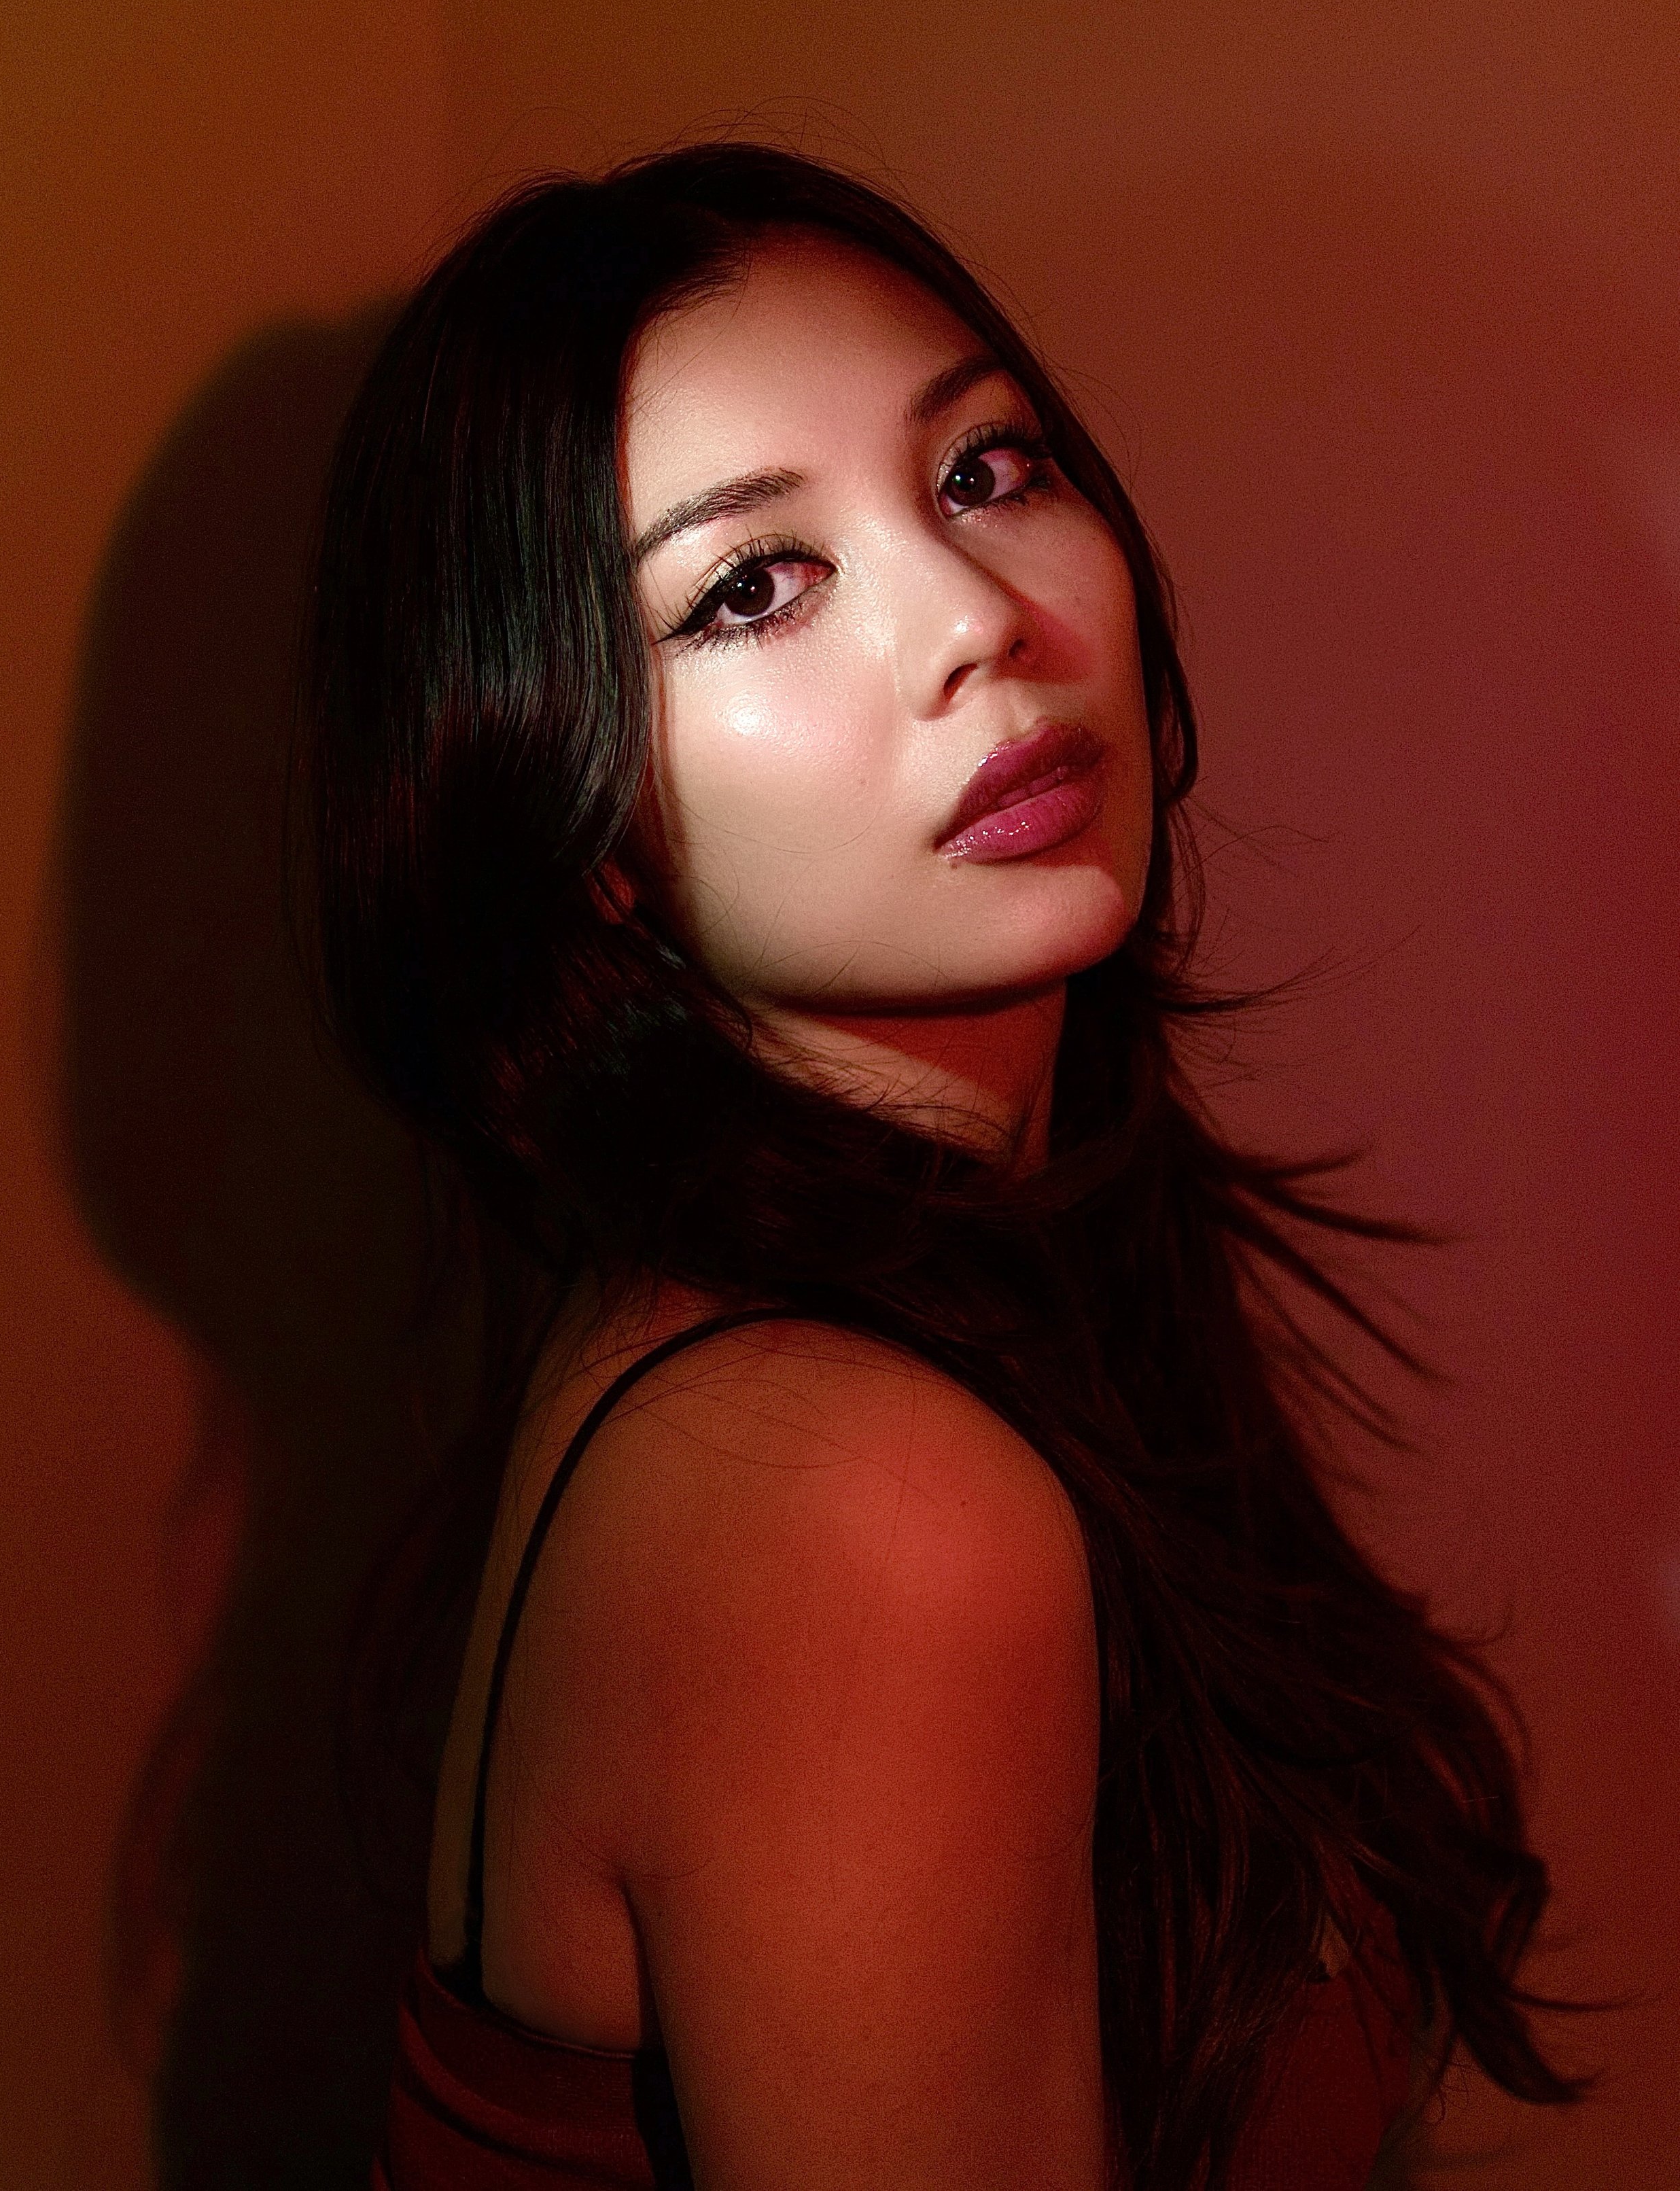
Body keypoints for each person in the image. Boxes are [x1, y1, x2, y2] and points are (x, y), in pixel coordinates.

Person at [295, 143, 1580, 2191]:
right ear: (580, 823)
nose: (978, 620)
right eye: (751, 587)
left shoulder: (931, 1311)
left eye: (983, 470)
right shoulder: (857, 1502)